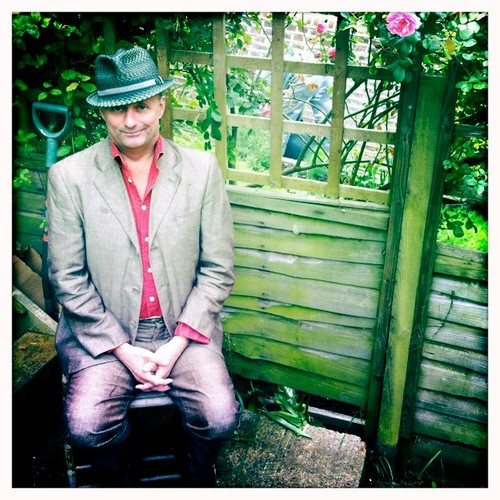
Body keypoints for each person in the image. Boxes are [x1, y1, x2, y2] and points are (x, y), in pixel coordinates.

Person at [47, 46, 241, 487]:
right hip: (104, 333)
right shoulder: (69, 178)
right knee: (86, 427)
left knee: (220, 417)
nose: (130, 120)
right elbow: (68, 279)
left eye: (141, 107)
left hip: (183, 330)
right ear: (103, 112)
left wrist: (175, 346)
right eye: (118, 109)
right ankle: (121, 474)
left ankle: (195, 471)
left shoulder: (201, 170)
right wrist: (122, 350)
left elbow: (218, 269)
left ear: (161, 105)